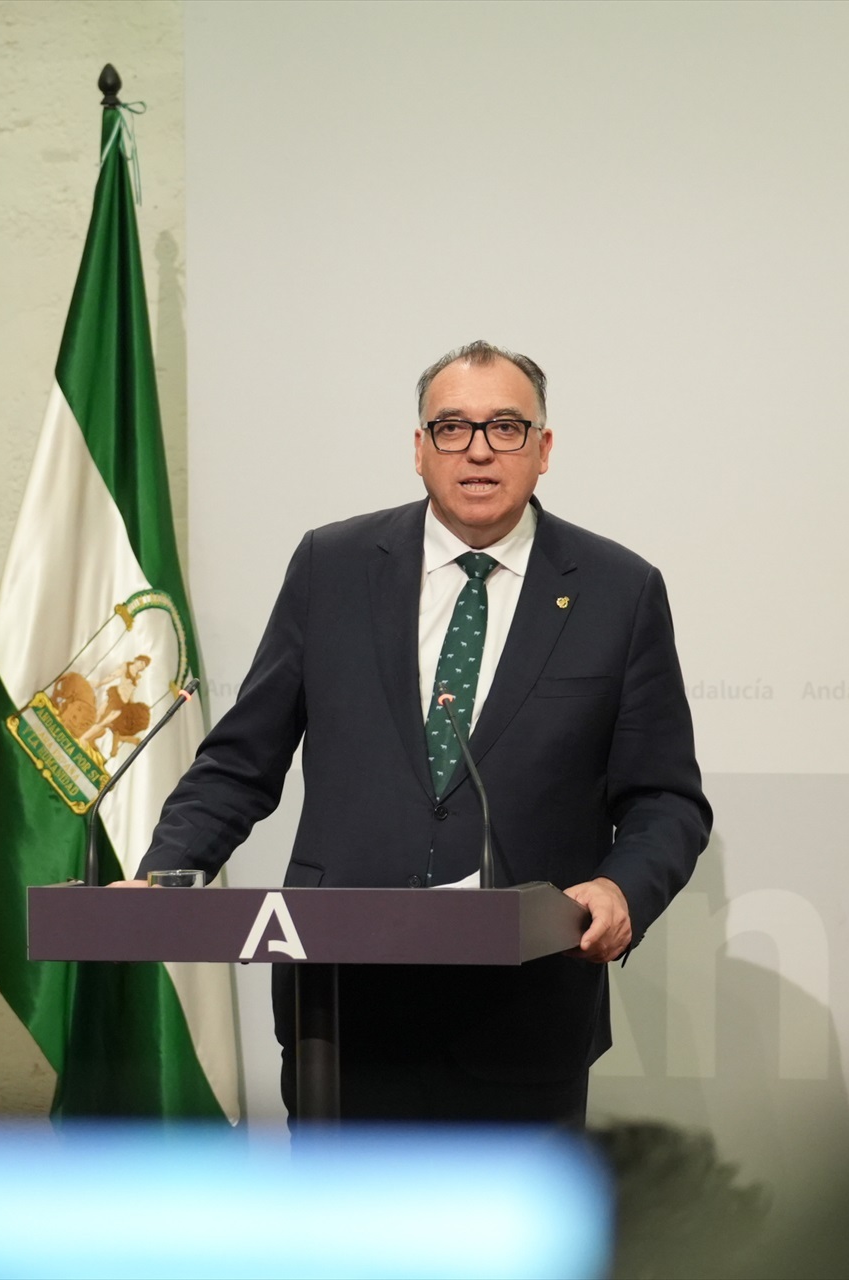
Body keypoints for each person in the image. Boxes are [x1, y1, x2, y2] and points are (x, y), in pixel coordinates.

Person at [127, 340, 711, 1125]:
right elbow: (243, 758)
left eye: (506, 427)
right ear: (418, 448)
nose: (477, 450)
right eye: (452, 427)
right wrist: (167, 874)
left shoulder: (619, 590)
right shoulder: (331, 566)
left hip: (525, 1018)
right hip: (340, 1011)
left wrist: (619, 889)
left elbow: (665, 799)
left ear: (544, 450)